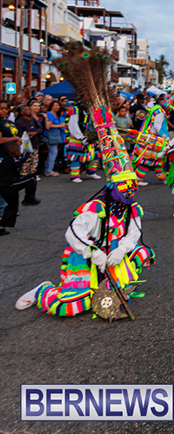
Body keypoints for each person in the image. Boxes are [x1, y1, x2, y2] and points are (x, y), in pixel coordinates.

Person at [14, 47, 154, 319]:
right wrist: (94, 254)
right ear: (113, 186)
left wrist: (123, 249)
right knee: (72, 307)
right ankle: (43, 290)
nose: (131, 190)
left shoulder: (132, 208)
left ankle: (116, 277)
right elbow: (73, 235)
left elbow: (134, 232)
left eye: (133, 185)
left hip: (112, 256)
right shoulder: (95, 209)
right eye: (126, 186)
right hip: (87, 257)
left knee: (139, 256)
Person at [0, 141, 40, 235]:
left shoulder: (9, 159)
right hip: (7, 186)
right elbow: (19, 163)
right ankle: (29, 199)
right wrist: (26, 154)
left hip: (6, 186)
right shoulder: (9, 160)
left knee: (11, 206)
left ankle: (1, 227)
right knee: (31, 178)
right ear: (14, 151)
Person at [64, 103, 101, 183]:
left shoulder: (93, 110)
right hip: (77, 138)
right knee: (76, 157)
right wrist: (81, 137)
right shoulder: (75, 110)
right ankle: (74, 176)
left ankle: (91, 172)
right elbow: (73, 126)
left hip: (90, 136)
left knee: (95, 155)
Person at [44, 100, 66, 176]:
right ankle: (48, 170)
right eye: (55, 105)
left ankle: (49, 169)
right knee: (53, 153)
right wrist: (60, 126)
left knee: (53, 152)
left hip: (55, 135)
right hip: (50, 135)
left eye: (58, 105)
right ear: (51, 106)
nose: (57, 107)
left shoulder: (56, 114)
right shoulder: (50, 114)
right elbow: (49, 125)